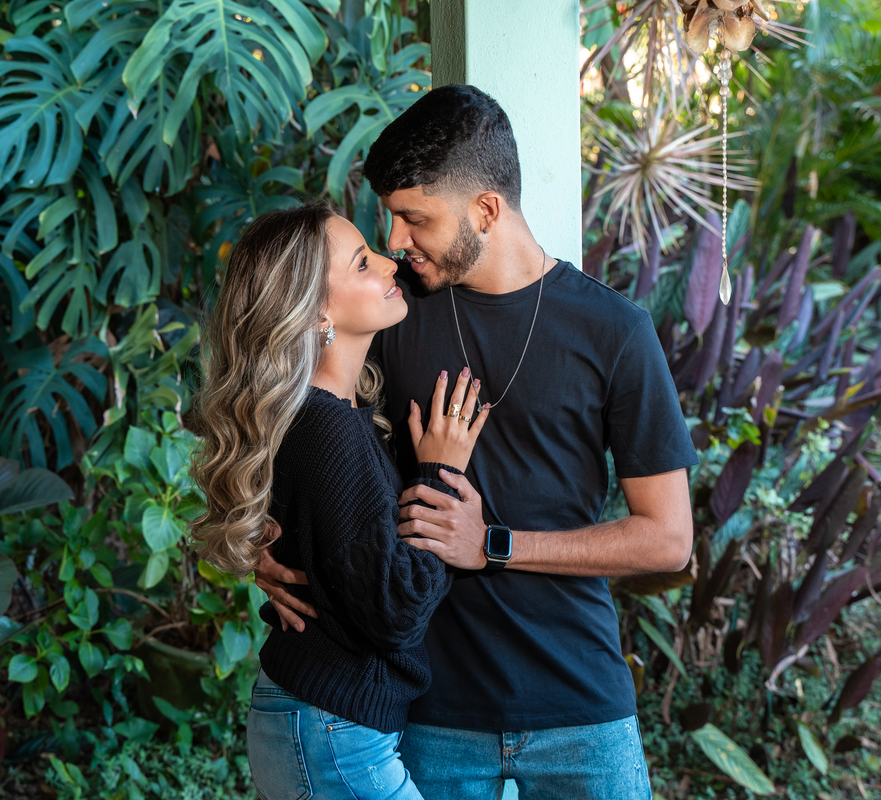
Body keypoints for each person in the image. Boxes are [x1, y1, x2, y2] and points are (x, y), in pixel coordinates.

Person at [255, 85, 699, 799]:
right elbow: (294, 422)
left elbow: (668, 540)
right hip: (429, 711)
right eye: (391, 217)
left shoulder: (615, 331)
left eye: (415, 218)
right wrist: (263, 540)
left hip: (580, 708)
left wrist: (492, 544)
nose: (396, 242)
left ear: (486, 210)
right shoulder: (390, 313)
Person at [191, 202, 492, 800]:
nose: (390, 262)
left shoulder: (324, 415)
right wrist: (441, 473)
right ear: (316, 312)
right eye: (362, 263)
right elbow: (395, 612)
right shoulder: (327, 427)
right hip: (333, 732)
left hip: (319, 722)